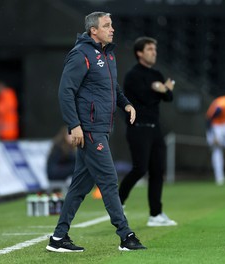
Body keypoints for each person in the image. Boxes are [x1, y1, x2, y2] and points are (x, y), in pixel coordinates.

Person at [46, 11, 146, 253]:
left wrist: (126, 104)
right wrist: (74, 125)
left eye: (111, 25)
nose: (112, 29)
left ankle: (58, 238)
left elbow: (112, 87)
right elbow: (65, 91)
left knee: (80, 186)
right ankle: (126, 235)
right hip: (89, 129)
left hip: (100, 128)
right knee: (109, 181)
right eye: (107, 25)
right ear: (94, 30)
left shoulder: (107, 55)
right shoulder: (81, 54)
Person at [118, 36, 177, 227]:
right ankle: (117, 203)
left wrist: (162, 89)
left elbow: (169, 96)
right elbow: (144, 99)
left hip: (155, 128)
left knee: (158, 171)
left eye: (154, 49)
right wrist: (160, 90)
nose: (154, 52)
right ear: (139, 53)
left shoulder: (156, 74)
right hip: (138, 128)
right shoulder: (133, 75)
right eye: (150, 49)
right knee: (139, 168)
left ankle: (156, 214)